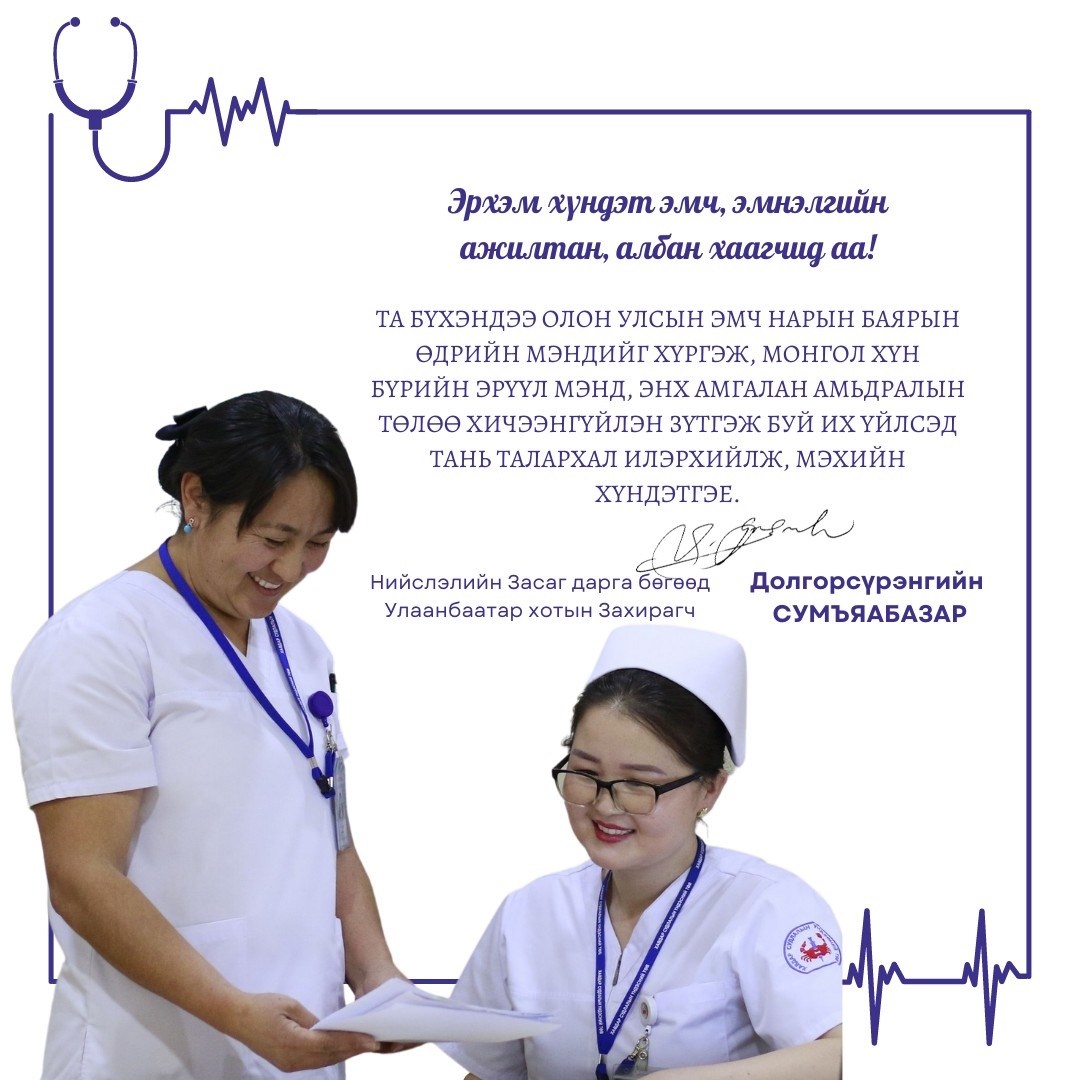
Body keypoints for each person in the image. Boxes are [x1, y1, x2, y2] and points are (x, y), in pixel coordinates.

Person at [13, 391, 409, 1079]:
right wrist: (234, 1014)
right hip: (151, 1052)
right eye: (274, 539)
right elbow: (82, 877)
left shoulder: (300, 646)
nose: (290, 570)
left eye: (317, 545)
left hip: (300, 1042)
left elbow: (329, 833)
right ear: (195, 498)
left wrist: (379, 978)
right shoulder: (98, 641)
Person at [440, 625, 842, 1080]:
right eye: (585, 772)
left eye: (639, 783)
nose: (604, 805)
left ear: (710, 788)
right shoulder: (530, 912)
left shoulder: (768, 906)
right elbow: (489, 1072)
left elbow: (841, 1054)